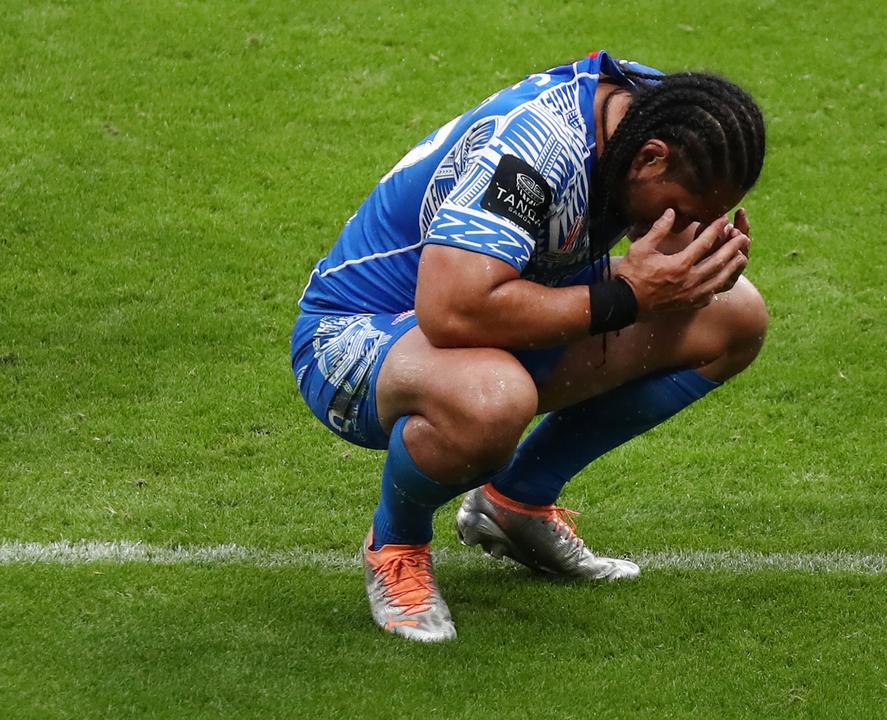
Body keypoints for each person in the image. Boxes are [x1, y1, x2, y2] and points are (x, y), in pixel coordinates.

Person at [290, 50, 767, 642]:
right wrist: (630, 297)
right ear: (650, 159)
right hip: (355, 338)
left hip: (507, 300)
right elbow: (450, 310)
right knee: (492, 398)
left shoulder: (657, 113)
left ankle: (517, 505)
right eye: (684, 209)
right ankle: (397, 544)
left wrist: (689, 270)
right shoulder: (534, 149)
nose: (686, 225)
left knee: (733, 315)